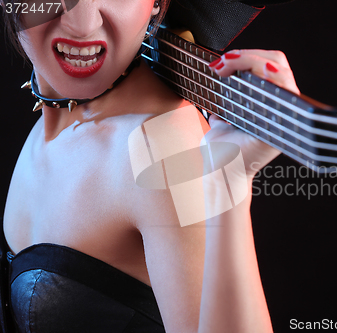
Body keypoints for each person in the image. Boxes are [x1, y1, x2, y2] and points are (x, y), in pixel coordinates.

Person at [0, 0, 300, 331]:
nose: (82, 24)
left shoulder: (162, 147)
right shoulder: (58, 115)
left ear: (156, 3)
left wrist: (230, 190)